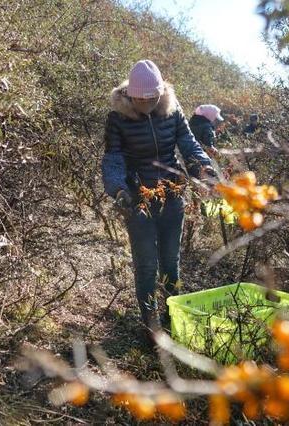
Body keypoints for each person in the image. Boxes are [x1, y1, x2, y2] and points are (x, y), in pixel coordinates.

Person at [101, 59, 216, 335]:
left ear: (160, 94)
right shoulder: (117, 119)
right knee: (146, 263)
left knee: (170, 261)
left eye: (152, 99)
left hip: (171, 193)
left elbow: (188, 143)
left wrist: (202, 167)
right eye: (141, 100)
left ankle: (172, 316)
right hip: (137, 198)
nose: (147, 105)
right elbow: (113, 157)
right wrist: (118, 188)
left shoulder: (172, 112)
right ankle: (151, 324)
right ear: (130, 96)